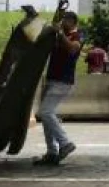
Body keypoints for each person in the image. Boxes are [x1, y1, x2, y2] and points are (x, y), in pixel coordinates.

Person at [34, 11, 82, 166]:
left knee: (45, 112)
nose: (62, 23)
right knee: (48, 116)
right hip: (52, 78)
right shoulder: (59, 34)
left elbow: (72, 49)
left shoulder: (77, 35)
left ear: (72, 21)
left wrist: (60, 33)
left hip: (63, 80)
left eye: (65, 20)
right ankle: (52, 152)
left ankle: (65, 143)